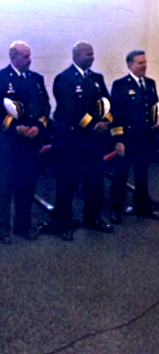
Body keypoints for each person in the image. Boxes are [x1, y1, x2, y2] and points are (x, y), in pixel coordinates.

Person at [51, 42, 114, 240]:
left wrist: (106, 121)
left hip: (92, 143)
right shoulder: (64, 79)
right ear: (77, 55)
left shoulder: (97, 78)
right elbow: (70, 110)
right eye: (88, 54)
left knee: (94, 182)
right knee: (67, 183)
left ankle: (92, 217)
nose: (92, 57)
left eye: (93, 54)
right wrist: (95, 125)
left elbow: (106, 103)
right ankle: (63, 222)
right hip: (71, 142)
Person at [0, 41, 50, 244]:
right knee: (5, 188)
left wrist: (39, 126)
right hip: (9, 143)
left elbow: (45, 106)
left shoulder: (36, 79)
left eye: (29, 56)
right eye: (24, 56)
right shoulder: (2, 78)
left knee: (27, 186)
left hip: (31, 142)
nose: (29, 60)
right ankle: (3, 229)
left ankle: (23, 225)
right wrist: (15, 128)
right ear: (13, 57)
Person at [108, 49, 159, 224]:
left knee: (142, 173)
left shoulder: (150, 83)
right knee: (121, 174)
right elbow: (115, 114)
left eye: (145, 62)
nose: (144, 66)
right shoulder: (120, 85)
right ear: (130, 65)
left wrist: (158, 122)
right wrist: (118, 140)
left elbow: (153, 108)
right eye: (140, 63)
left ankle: (142, 205)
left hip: (144, 137)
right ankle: (115, 208)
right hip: (127, 138)